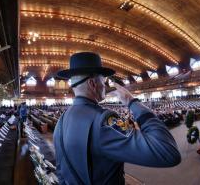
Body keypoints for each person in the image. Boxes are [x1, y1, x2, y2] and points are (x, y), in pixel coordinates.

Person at [53, 52, 181, 185]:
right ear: (92, 83)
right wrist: (131, 101)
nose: (106, 86)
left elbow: (61, 172)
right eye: (104, 80)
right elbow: (168, 153)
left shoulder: (61, 122)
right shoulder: (103, 121)